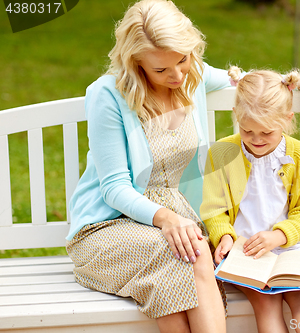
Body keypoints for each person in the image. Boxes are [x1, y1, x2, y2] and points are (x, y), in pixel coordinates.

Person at [65, 1, 232, 332]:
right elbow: (114, 188)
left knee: (185, 253)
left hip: (177, 225)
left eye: (183, 59)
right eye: (161, 70)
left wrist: (274, 84)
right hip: (107, 228)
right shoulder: (108, 96)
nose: (177, 75)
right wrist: (167, 219)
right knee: (187, 251)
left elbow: (235, 80)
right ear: (135, 62)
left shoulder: (191, 75)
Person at [200, 66, 300, 333]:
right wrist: (224, 236)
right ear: (237, 117)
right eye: (247, 131)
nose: (256, 140)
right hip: (246, 248)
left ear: (287, 120)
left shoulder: (299, 155)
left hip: (290, 245)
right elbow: (214, 209)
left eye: (267, 133)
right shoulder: (222, 153)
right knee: (265, 301)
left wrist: (279, 237)